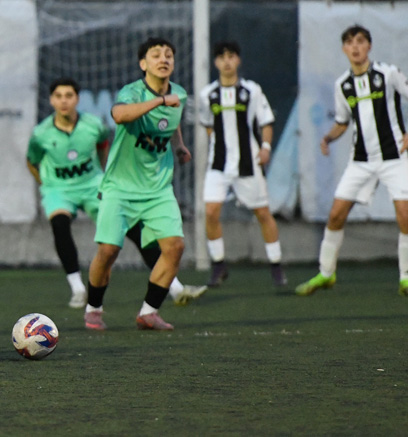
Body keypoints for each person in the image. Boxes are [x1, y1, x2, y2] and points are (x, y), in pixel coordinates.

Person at [26, 77, 206, 308]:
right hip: (58, 189)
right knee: (60, 225)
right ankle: (78, 289)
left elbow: (103, 146)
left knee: (134, 229)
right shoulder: (41, 133)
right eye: (58, 96)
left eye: (69, 96)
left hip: (92, 184)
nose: (64, 101)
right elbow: (31, 161)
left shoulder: (94, 125)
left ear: (77, 99)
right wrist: (45, 184)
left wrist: (102, 174)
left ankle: (176, 288)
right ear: (51, 100)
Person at [84, 37, 192, 331]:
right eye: (156, 55)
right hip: (119, 187)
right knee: (108, 251)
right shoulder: (132, 92)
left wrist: (179, 146)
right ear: (143, 64)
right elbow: (119, 115)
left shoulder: (179, 95)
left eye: (168, 55)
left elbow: (172, 120)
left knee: (175, 247)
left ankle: (149, 312)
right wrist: (159, 100)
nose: (163, 59)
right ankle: (94, 308)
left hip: (158, 188)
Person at [296, 25, 408, 297]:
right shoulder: (343, 85)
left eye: (360, 41)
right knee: (336, 215)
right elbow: (342, 121)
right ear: (344, 49)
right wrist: (328, 138)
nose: (355, 47)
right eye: (349, 42)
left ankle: (405, 277)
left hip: (394, 157)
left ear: (369, 45)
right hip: (360, 161)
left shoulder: (388, 74)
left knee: (405, 215)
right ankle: (326, 273)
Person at [198, 42, 286, 287]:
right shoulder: (207, 95)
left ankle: (276, 265)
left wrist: (266, 147)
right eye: (222, 57)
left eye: (231, 56)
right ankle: (218, 265)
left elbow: (266, 121)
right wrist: (219, 145)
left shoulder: (252, 91)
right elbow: (208, 125)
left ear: (238, 60)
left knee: (263, 213)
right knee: (210, 212)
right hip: (218, 164)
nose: (227, 61)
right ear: (215, 62)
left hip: (249, 163)